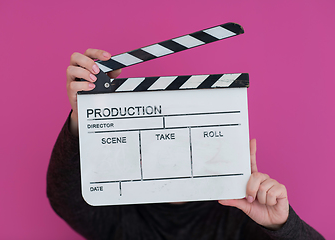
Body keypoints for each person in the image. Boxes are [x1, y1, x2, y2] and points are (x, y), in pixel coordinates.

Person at [47, 49, 325, 240]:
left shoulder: (242, 217)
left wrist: (281, 225)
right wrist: (84, 116)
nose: (172, 152)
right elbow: (64, 196)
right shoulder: (119, 213)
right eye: (162, 135)